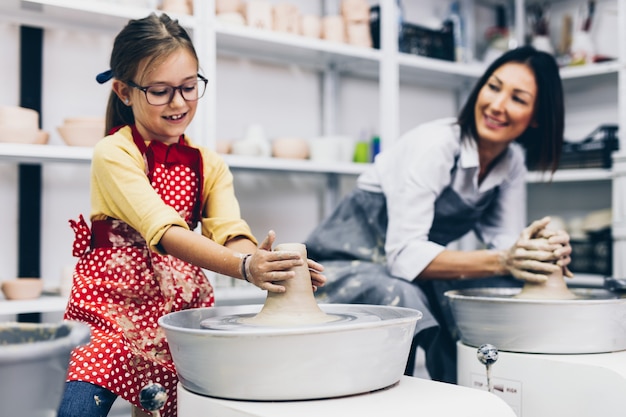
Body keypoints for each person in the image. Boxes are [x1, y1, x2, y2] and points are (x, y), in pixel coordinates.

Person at [56, 13, 324, 417]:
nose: (179, 103)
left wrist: (269, 264)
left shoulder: (208, 164)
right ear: (124, 92)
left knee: (165, 407)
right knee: (79, 408)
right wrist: (246, 267)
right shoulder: (114, 153)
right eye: (160, 91)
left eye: (188, 87)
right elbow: (162, 228)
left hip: (177, 314)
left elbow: (231, 233)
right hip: (111, 312)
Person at [304, 46, 573, 384]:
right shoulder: (435, 145)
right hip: (340, 266)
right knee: (405, 300)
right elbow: (403, 255)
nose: (497, 105)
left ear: (537, 116)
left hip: (407, 266)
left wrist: (540, 253)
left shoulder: (511, 162)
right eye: (493, 86)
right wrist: (506, 259)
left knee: (502, 286)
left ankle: (484, 392)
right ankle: (399, 398)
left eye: (517, 98)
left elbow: (507, 244)